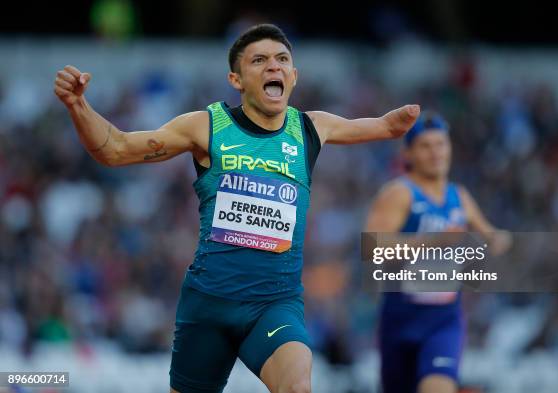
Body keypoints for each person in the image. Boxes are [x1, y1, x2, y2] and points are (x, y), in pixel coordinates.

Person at [54, 24, 420, 393]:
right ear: (236, 78)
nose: (273, 67)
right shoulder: (207, 126)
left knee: (297, 387)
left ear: (294, 77)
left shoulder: (310, 129)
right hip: (209, 305)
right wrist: (78, 105)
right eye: (259, 60)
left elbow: (381, 127)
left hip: (274, 305)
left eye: (282, 60)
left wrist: (398, 123)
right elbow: (115, 149)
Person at [365, 111, 511, 393]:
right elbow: (372, 247)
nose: (435, 153)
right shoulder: (399, 193)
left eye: (441, 144)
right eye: (426, 146)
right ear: (409, 153)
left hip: (444, 320)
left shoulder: (460, 197)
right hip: (400, 318)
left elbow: (492, 235)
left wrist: (498, 241)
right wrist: (431, 242)